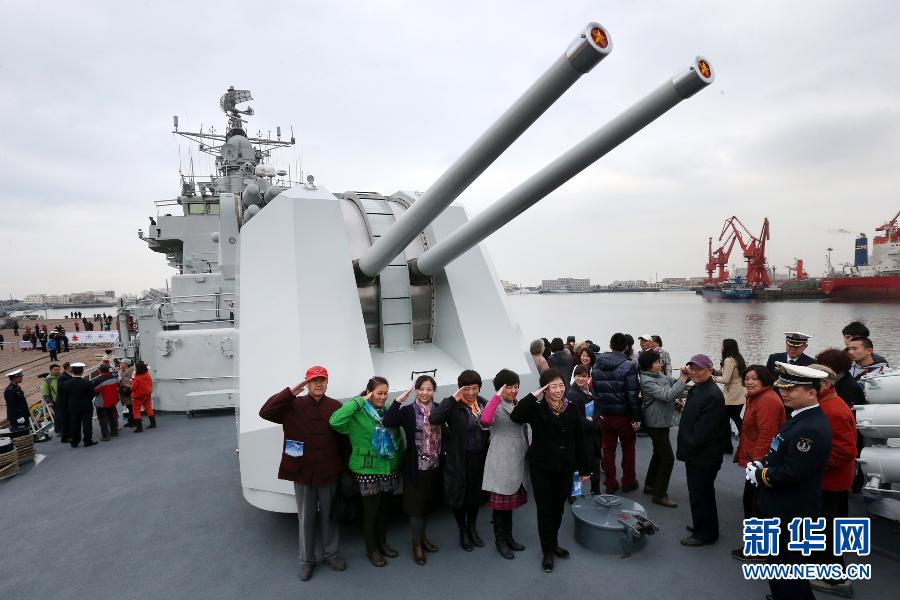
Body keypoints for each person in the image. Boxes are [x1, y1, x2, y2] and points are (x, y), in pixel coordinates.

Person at [749, 363, 832, 600]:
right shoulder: (799, 417)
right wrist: (763, 463)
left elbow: (792, 473)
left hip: (792, 510)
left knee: (789, 568)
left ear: (811, 392)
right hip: (783, 507)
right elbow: (780, 449)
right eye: (783, 388)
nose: (784, 393)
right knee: (779, 565)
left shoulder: (811, 429)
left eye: (791, 389)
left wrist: (760, 475)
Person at [259, 365, 346, 581]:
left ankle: (331, 555)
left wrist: (343, 471)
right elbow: (265, 412)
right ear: (306, 384)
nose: (318, 384)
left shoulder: (336, 406)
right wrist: (290, 392)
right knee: (306, 519)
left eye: (322, 380)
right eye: (313, 380)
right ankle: (307, 561)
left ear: (327, 382)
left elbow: (344, 440)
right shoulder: (292, 405)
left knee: (329, 517)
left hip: (328, 472)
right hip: (303, 472)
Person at [510, 368, 589, 573]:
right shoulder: (536, 409)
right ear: (544, 389)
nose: (558, 390)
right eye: (553, 386)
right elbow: (516, 416)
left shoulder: (571, 408)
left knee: (559, 508)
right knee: (545, 510)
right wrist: (533, 394)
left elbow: (580, 440)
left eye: (561, 385)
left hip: (564, 467)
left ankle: (553, 543)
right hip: (542, 467)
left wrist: (584, 468)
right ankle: (547, 551)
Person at [329, 376, 403, 568]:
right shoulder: (357, 412)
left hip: (388, 468)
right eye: (379, 393)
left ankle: (383, 543)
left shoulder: (386, 411)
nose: (383, 397)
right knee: (371, 513)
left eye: (386, 393)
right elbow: (335, 421)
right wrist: (358, 400)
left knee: (384, 510)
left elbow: (398, 438)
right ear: (369, 392)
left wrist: (398, 461)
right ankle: (372, 550)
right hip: (367, 469)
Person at [807, 364, 857, 599]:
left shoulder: (832, 410)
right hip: (829, 481)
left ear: (825, 384)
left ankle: (836, 580)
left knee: (827, 533)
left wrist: (807, 462)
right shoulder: (828, 405)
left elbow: (845, 452)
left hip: (829, 483)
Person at [382, 375, 442, 566]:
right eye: (421, 389)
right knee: (416, 507)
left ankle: (423, 538)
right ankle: (416, 544)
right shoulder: (408, 411)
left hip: (434, 465)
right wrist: (399, 399)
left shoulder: (440, 409)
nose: (425, 393)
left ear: (434, 391)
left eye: (429, 389)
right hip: (415, 467)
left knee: (426, 504)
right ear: (416, 390)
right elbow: (388, 420)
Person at [428, 370, 489, 552]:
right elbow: (434, 419)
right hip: (459, 458)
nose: (471, 393)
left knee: (475, 496)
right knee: (460, 497)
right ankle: (463, 530)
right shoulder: (454, 406)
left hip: (480, 457)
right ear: (460, 388)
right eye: (466, 388)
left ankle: (472, 528)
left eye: (475, 388)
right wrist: (452, 399)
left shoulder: (483, 403)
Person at [729, 365, 785, 561]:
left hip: (761, 465)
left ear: (765, 380)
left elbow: (767, 435)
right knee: (754, 503)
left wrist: (757, 467)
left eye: (754, 378)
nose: (749, 382)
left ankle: (757, 549)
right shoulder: (757, 397)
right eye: (747, 378)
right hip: (757, 461)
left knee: (756, 504)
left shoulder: (767, 401)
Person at [676, 354, 729, 547]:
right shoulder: (699, 388)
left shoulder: (712, 395)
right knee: (699, 493)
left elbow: (703, 432)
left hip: (703, 456)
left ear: (710, 371)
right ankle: (702, 525)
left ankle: (705, 533)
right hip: (697, 455)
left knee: (702, 493)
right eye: (692, 368)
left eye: (699, 369)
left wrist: (687, 446)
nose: (694, 372)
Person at [480, 369, 529, 559]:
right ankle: (500, 542)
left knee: (509, 505)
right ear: (501, 388)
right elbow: (485, 420)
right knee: (500, 507)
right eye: (510, 387)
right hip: (501, 460)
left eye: (516, 386)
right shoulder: (496, 405)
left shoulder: (515, 403)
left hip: (517, 458)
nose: (514, 390)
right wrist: (497, 396)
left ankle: (509, 537)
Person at [592, 332, 641, 493]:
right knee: (628, 448)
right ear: (626, 347)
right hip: (624, 416)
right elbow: (632, 394)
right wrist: (636, 417)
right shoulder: (629, 365)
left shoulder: (598, 364)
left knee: (608, 449)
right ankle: (628, 481)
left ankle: (610, 483)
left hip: (605, 415)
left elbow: (596, 390)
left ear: (610, 345)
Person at [638, 350, 689, 508]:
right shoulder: (647, 381)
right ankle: (659, 494)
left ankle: (650, 485)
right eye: (656, 362)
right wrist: (684, 379)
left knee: (658, 454)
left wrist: (687, 379)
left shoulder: (659, 376)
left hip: (662, 421)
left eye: (659, 362)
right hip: (655, 423)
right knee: (667, 459)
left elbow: (674, 384)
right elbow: (667, 395)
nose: (660, 364)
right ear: (648, 365)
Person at [567, 364, 601, 494]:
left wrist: (595, 419)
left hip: (593, 435)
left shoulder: (590, 389)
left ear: (588, 377)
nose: (580, 379)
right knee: (577, 466)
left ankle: (596, 490)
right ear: (574, 376)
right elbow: (577, 418)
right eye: (578, 376)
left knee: (596, 463)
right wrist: (594, 424)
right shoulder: (572, 395)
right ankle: (574, 494)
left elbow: (598, 407)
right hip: (581, 436)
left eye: (584, 376)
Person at [714, 338, 747, 446]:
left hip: (732, 395)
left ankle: (728, 445)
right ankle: (744, 443)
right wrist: (715, 372)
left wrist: (711, 377)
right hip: (740, 393)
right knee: (736, 418)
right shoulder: (738, 358)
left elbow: (726, 380)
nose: (721, 347)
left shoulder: (728, 360)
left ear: (726, 347)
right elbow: (731, 375)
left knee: (725, 420)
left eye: (722, 345)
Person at [66, 362, 97, 447]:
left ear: (72, 371)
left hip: (73, 406)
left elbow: (65, 395)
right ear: (82, 371)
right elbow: (92, 394)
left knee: (75, 424)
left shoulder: (67, 383)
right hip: (86, 406)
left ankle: (75, 441)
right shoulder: (87, 383)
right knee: (87, 424)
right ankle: (87, 441)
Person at [93, 364, 120, 441]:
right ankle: (114, 432)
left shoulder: (98, 380)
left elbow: (94, 391)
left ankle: (106, 436)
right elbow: (117, 386)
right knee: (112, 417)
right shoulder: (114, 378)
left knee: (103, 419)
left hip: (102, 403)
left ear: (100, 371)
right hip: (112, 401)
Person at [130, 361, 155, 432]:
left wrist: (130, 386)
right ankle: (153, 423)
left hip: (138, 396)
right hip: (147, 395)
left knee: (136, 411)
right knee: (148, 408)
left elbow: (133, 388)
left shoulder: (137, 378)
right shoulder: (147, 375)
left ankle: (139, 428)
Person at [41, 364, 61, 433]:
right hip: (54, 401)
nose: (57, 371)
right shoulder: (47, 380)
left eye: (58, 370)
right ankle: (58, 431)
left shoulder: (61, 377)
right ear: (51, 370)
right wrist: (49, 402)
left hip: (63, 400)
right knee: (57, 416)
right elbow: (45, 392)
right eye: (55, 370)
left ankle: (64, 429)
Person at [56, 362, 73, 442]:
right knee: (66, 420)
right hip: (64, 402)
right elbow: (63, 388)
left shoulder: (67, 375)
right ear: (68, 368)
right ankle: (66, 437)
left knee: (68, 419)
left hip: (66, 401)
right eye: (71, 367)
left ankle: (69, 435)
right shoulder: (63, 377)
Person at [117, 359, 136, 427]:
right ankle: (130, 420)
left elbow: (134, 382)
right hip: (124, 391)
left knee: (131, 407)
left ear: (126, 364)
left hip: (130, 391)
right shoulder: (120, 371)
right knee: (128, 406)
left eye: (121, 363)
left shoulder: (132, 371)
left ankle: (134, 421)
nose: (120, 364)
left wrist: (129, 387)